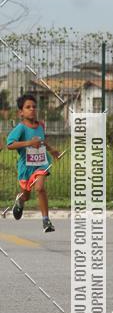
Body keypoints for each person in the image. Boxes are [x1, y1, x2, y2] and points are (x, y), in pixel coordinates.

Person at [6, 93, 60, 232]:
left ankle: (46, 221)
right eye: (28, 107)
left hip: (41, 164)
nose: (32, 109)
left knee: (40, 188)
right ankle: (20, 200)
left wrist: (52, 150)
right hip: (26, 167)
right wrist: (29, 143)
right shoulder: (21, 128)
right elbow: (10, 144)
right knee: (26, 195)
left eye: (34, 107)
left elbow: (41, 141)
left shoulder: (40, 125)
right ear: (21, 112)